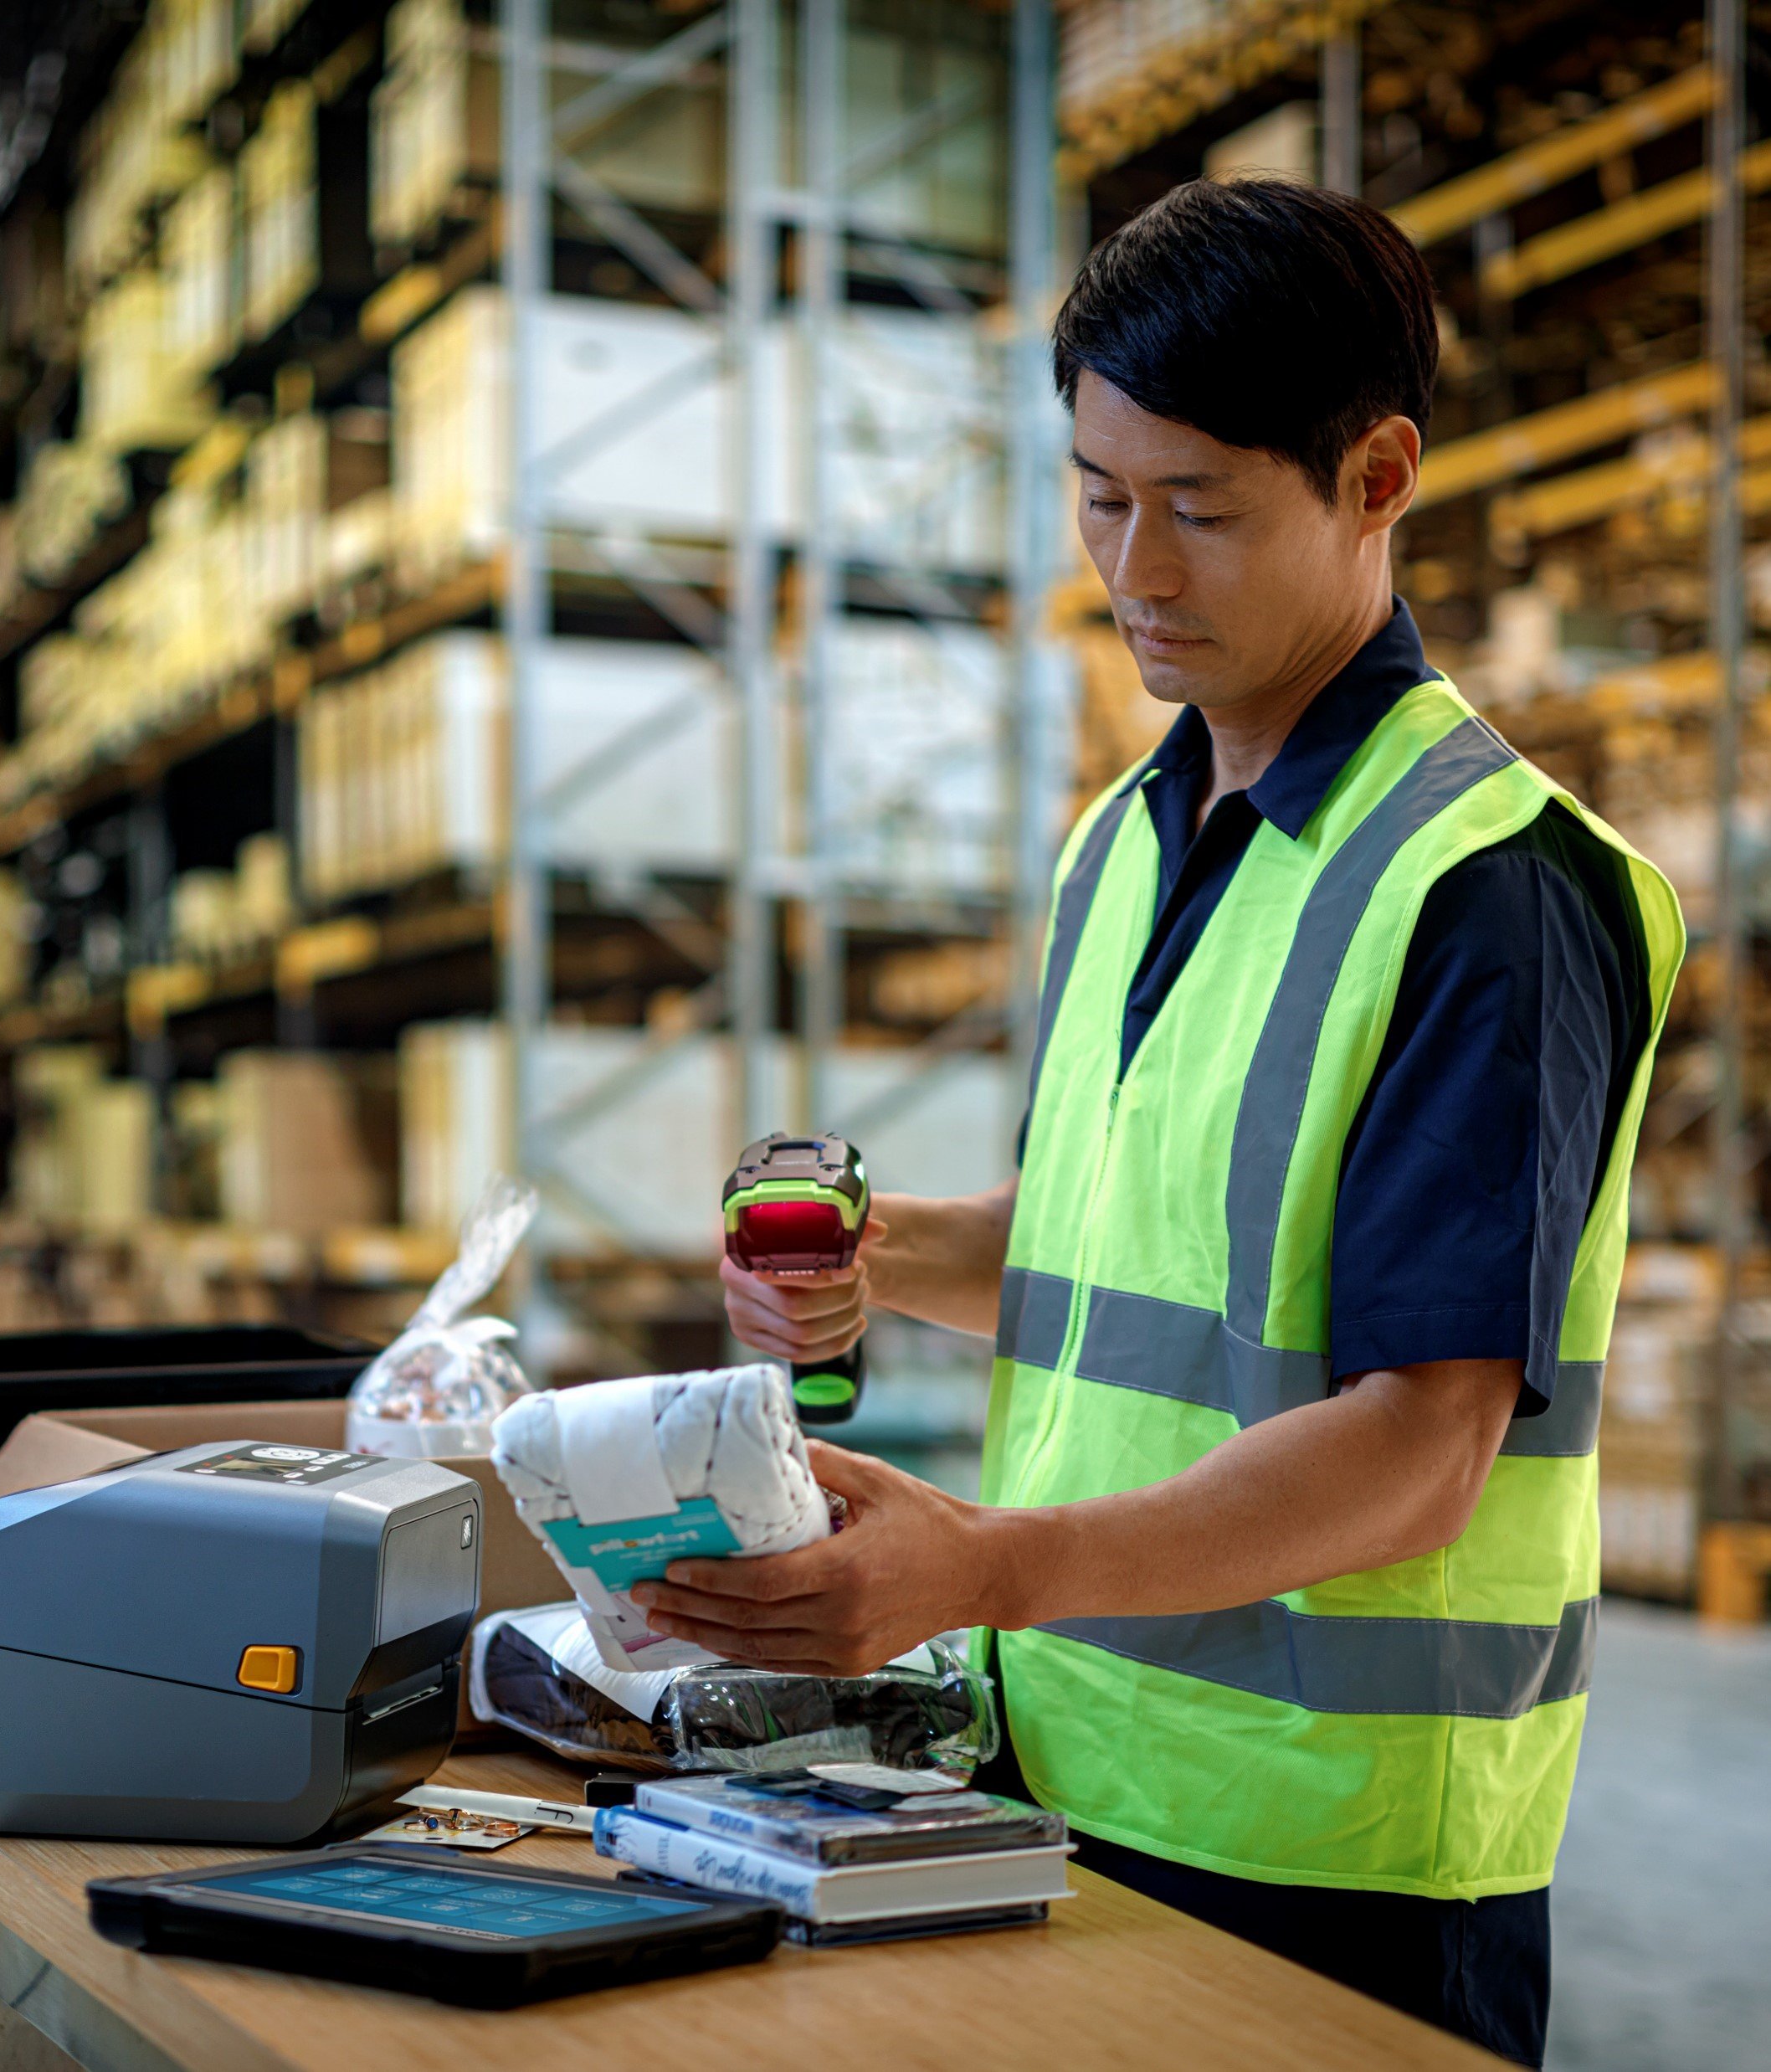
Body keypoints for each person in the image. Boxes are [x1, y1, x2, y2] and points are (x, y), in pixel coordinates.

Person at [629, 178, 1683, 2066]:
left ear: (1377, 477)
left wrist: (981, 1562)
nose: (1137, 570)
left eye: (1200, 508)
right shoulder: (1122, 839)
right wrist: (881, 1252)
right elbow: (1110, 1243)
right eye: (1098, 496)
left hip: (1335, 1849)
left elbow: (1416, 1453)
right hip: (1065, 1762)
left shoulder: (1490, 889)